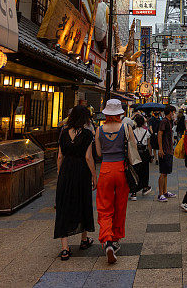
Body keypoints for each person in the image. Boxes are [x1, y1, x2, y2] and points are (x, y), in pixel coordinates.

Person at [94, 99, 137, 264]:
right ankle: (116, 238)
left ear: (106, 113)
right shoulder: (126, 128)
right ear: (120, 113)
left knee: (104, 206)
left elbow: (98, 153)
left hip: (105, 169)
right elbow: (133, 149)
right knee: (120, 205)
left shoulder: (99, 130)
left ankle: (107, 240)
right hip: (122, 170)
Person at [54, 105, 96, 260]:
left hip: (66, 170)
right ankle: (84, 240)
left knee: (63, 205)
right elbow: (88, 157)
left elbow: (60, 156)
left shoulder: (64, 132)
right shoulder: (87, 134)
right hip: (81, 171)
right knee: (83, 202)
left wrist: (60, 172)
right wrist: (94, 175)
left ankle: (65, 249)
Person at [157, 106, 177, 202]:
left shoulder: (169, 121)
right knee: (163, 172)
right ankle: (160, 193)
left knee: (166, 173)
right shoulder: (164, 121)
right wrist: (160, 149)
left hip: (168, 150)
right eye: (174, 112)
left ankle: (165, 192)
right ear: (170, 112)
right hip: (164, 150)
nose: (174, 114)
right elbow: (160, 134)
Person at [132, 114, 152, 198]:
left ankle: (134, 192)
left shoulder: (132, 132)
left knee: (135, 172)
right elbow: (149, 144)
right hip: (144, 152)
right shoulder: (146, 132)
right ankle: (144, 187)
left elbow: (132, 144)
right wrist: (151, 155)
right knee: (145, 171)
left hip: (135, 153)